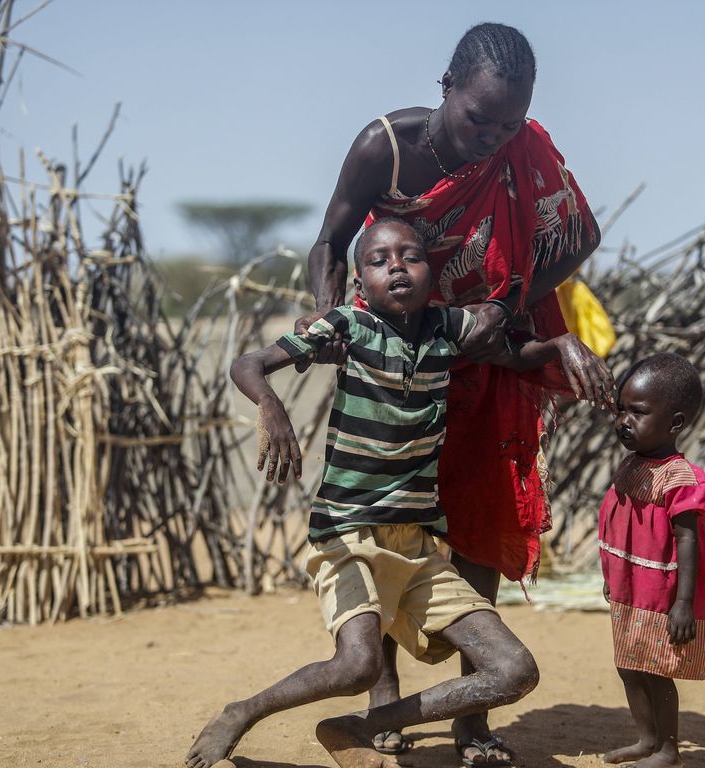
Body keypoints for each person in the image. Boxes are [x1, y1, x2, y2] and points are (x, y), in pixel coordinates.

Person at [299, 22, 614, 764]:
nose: (494, 137)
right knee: (386, 519)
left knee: (477, 517)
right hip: (402, 355)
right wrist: (328, 314)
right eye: (480, 118)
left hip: (492, 352)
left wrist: (509, 305)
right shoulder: (388, 147)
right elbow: (330, 240)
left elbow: (580, 235)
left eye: (510, 122)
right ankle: (383, 699)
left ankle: (474, 718)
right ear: (447, 88)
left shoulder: (522, 150)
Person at [186, 219, 588, 768]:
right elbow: (248, 363)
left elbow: (514, 355)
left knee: (514, 671)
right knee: (358, 667)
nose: (396, 266)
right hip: (347, 536)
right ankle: (241, 712)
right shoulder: (348, 326)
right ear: (360, 281)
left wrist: (562, 343)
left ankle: (360, 726)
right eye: (379, 260)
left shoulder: (449, 329)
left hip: (417, 549)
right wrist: (270, 407)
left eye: (410, 256)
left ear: (431, 272)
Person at [597, 353, 705, 768]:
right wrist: (611, 577)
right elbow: (620, 526)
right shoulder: (633, 464)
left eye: (638, 412)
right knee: (629, 666)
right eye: (620, 409)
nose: (623, 420)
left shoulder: (680, 479)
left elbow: (688, 543)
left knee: (656, 669)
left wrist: (683, 602)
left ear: (676, 423)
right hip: (631, 589)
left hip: (662, 595)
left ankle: (669, 749)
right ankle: (646, 740)